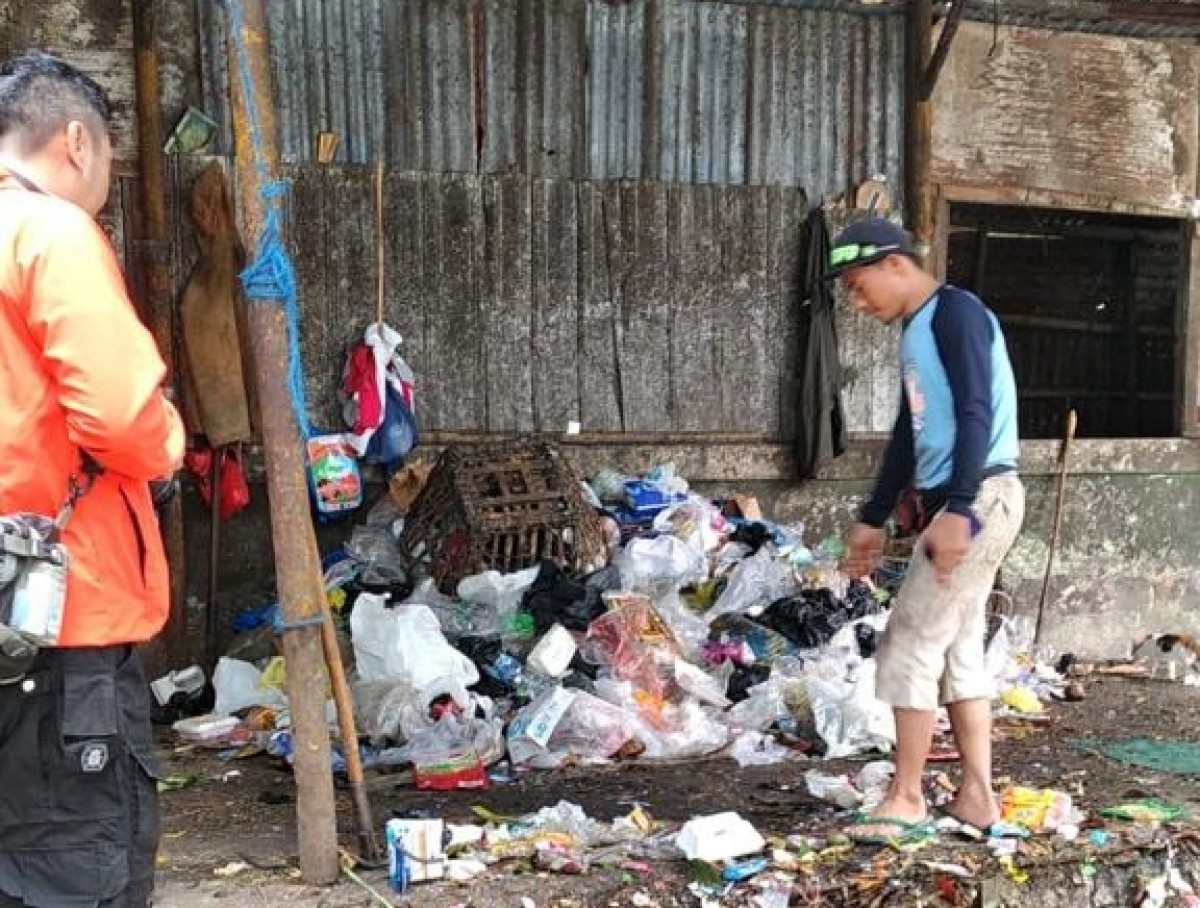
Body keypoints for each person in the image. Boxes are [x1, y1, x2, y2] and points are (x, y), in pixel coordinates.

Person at [0, 52, 184, 906]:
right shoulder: (48, 232)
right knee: (74, 872)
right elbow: (121, 420)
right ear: (76, 142)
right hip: (54, 639)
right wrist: (170, 437)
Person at [830, 218, 1024, 844]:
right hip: (963, 500)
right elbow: (907, 436)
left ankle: (907, 796)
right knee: (958, 652)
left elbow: (977, 410)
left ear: (895, 264)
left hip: (980, 497)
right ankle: (977, 798)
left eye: (860, 287)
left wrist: (960, 508)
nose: (859, 304)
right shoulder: (917, 331)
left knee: (908, 642)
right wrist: (872, 518)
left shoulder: (955, 313)